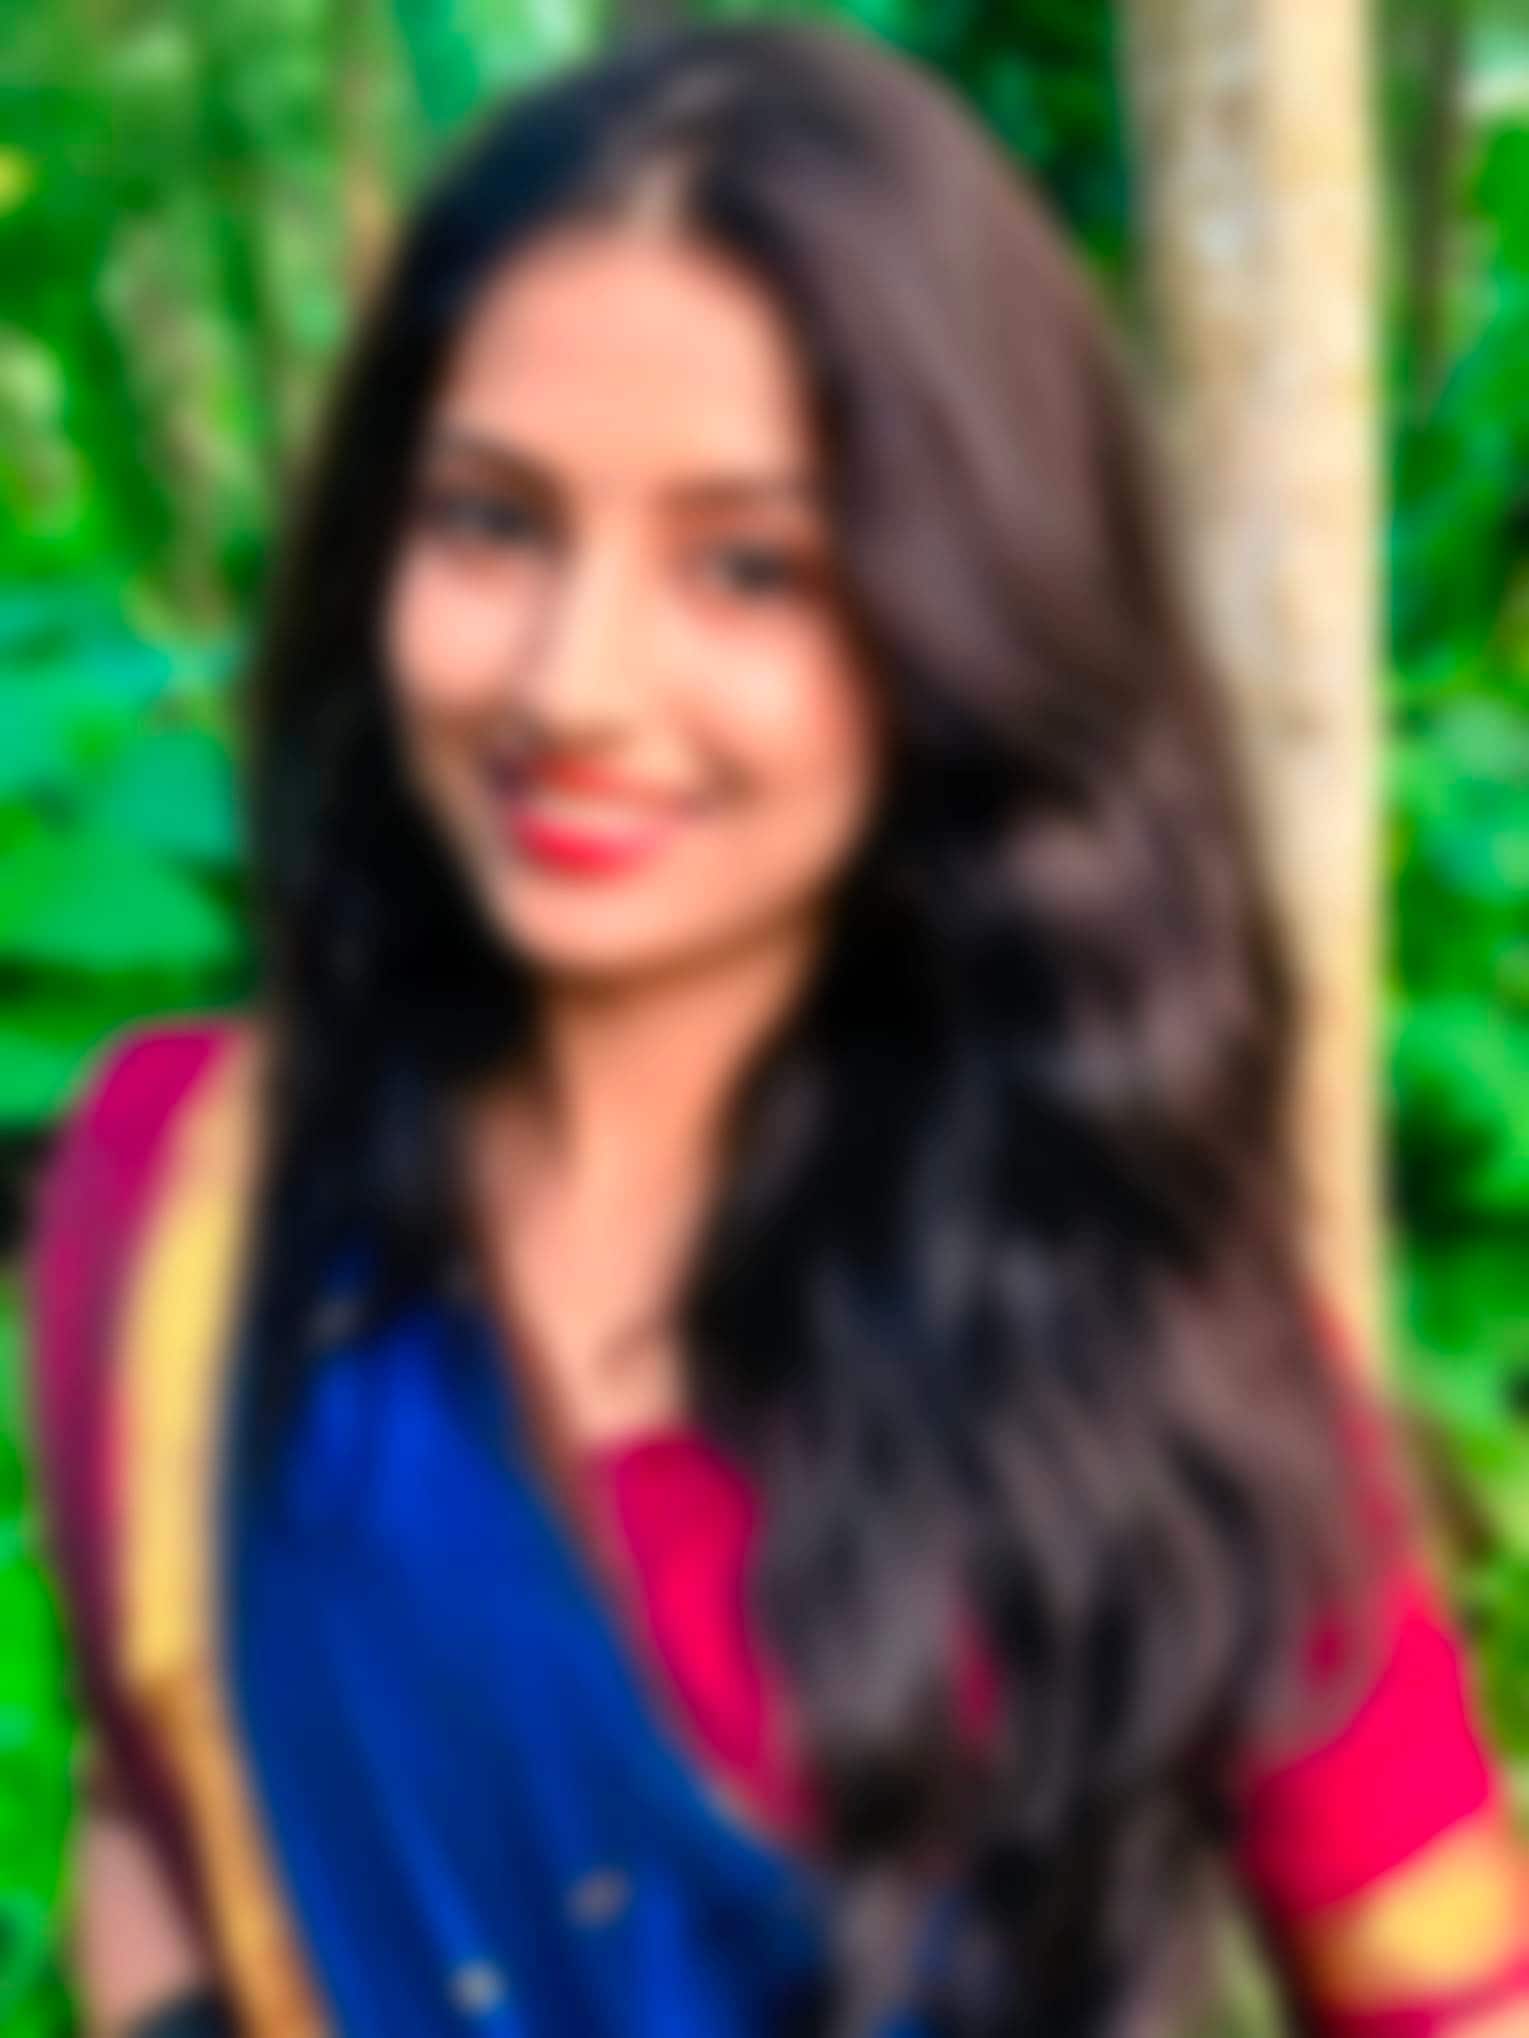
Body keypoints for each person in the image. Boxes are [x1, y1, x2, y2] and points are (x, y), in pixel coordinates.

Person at [25, 18, 1529, 2037]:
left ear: (966, 620)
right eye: (492, 521)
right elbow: (155, 1812)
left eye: (748, 567)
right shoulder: (187, 1200)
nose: (574, 681)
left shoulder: (1148, 1341)